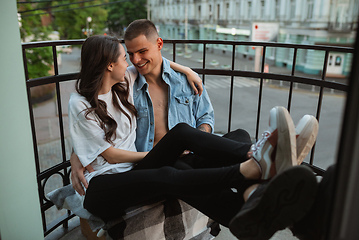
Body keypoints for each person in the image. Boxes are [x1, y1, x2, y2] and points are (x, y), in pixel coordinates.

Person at [68, 33, 319, 240]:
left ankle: (253, 178)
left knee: (183, 133)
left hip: (133, 170)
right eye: (125, 57)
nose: (131, 62)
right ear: (109, 65)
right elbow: (109, 156)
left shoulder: (122, 84)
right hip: (100, 188)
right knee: (168, 173)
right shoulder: (80, 103)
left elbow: (154, 62)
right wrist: (76, 156)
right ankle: (253, 166)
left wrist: (186, 69)